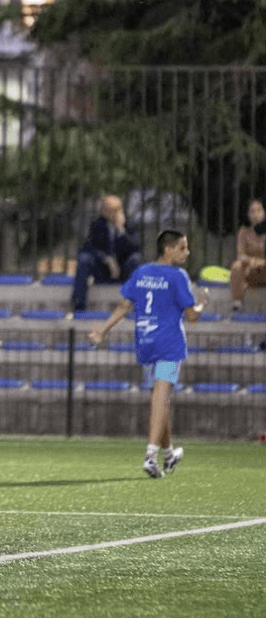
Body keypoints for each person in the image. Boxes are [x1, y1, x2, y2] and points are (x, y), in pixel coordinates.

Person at [89, 229, 208, 479]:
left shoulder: (141, 272)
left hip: (146, 342)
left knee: (159, 400)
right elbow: (192, 316)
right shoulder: (178, 276)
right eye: (182, 248)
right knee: (161, 398)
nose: (187, 253)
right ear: (168, 249)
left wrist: (102, 330)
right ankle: (151, 456)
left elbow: (124, 305)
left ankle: (169, 454)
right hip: (169, 344)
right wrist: (202, 302)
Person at [71, 194, 143, 311]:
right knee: (84, 259)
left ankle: (140, 307)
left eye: (118, 210)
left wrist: (121, 231)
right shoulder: (97, 225)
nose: (115, 214)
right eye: (111, 210)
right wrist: (106, 258)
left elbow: (136, 248)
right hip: (104, 269)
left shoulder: (130, 225)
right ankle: (78, 307)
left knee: (136, 259)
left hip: (123, 270)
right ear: (105, 211)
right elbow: (87, 248)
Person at [229, 199, 266, 312]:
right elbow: (241, 256)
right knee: (236, 266)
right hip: (251, 273)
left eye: (259, 210)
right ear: (248, 215)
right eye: (252, 211)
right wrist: (253, 262)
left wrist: (255, 262)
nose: (256, 214)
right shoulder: (244, 232)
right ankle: (237, 303)